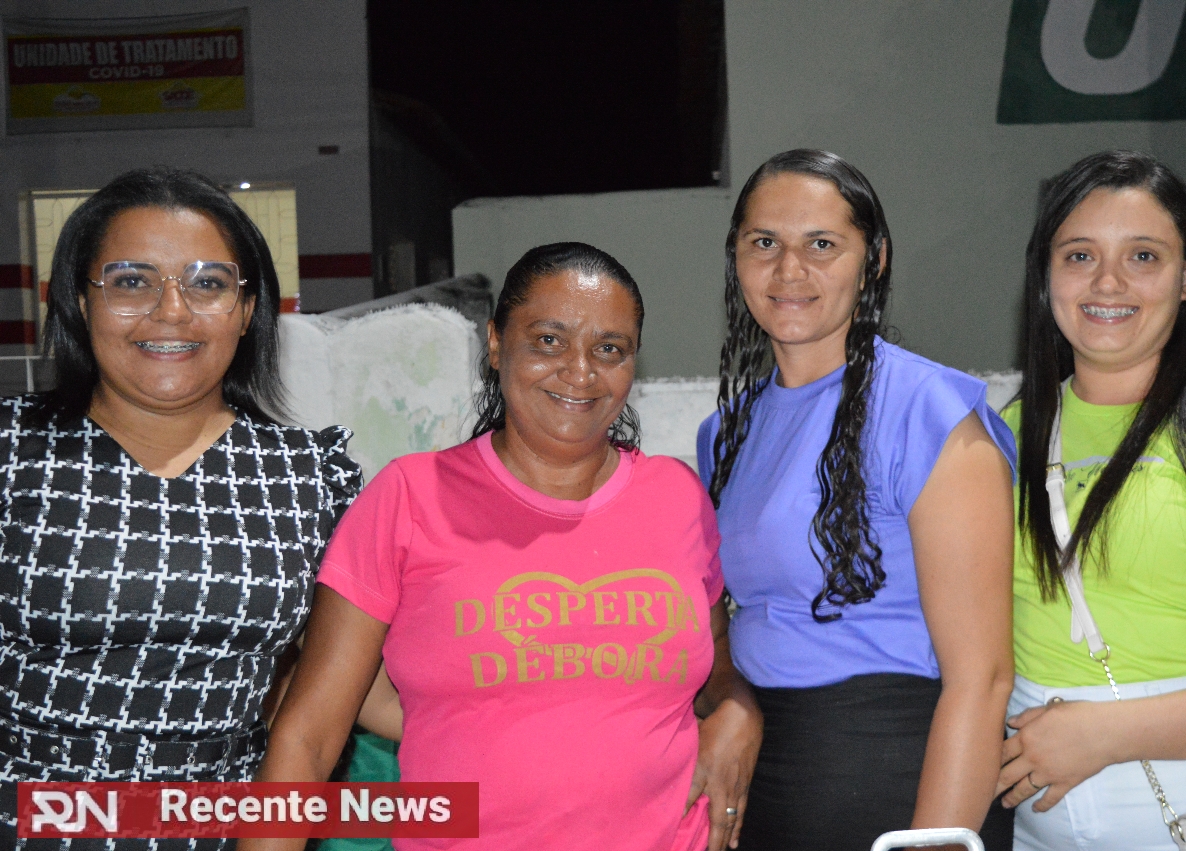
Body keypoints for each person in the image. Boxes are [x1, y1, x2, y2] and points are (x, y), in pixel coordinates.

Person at [249, 242, 762, 851]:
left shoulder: (676, 497)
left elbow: (715, 662)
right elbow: (308, 736)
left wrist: (739, 710)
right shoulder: (410, 497)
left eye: (610, 349)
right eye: (548, 340)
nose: (580, 371)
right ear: (495, 343)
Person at [0, 167, 361, 846]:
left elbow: (360, 680)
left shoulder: (311, 474)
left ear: (247, 309)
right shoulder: (13, 450)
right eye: (131, 281)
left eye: (208, 283)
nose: (171, 310)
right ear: (79, 300)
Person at [697, 149, 1016, 850]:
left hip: (899, 773)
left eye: (822, 244)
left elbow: (984, 677)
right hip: (765, 780)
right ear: (736, 258)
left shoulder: (931, 411)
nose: (789, 270)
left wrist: (932, 844)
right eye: (764, 243)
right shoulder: (724, 432)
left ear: (873, 261)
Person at [997, 150, 1186, 850]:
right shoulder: (1005, 435)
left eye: (1144, 256)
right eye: (1079, 255)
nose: (1108, 282)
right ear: (1045, 275)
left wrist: (1107, 733)